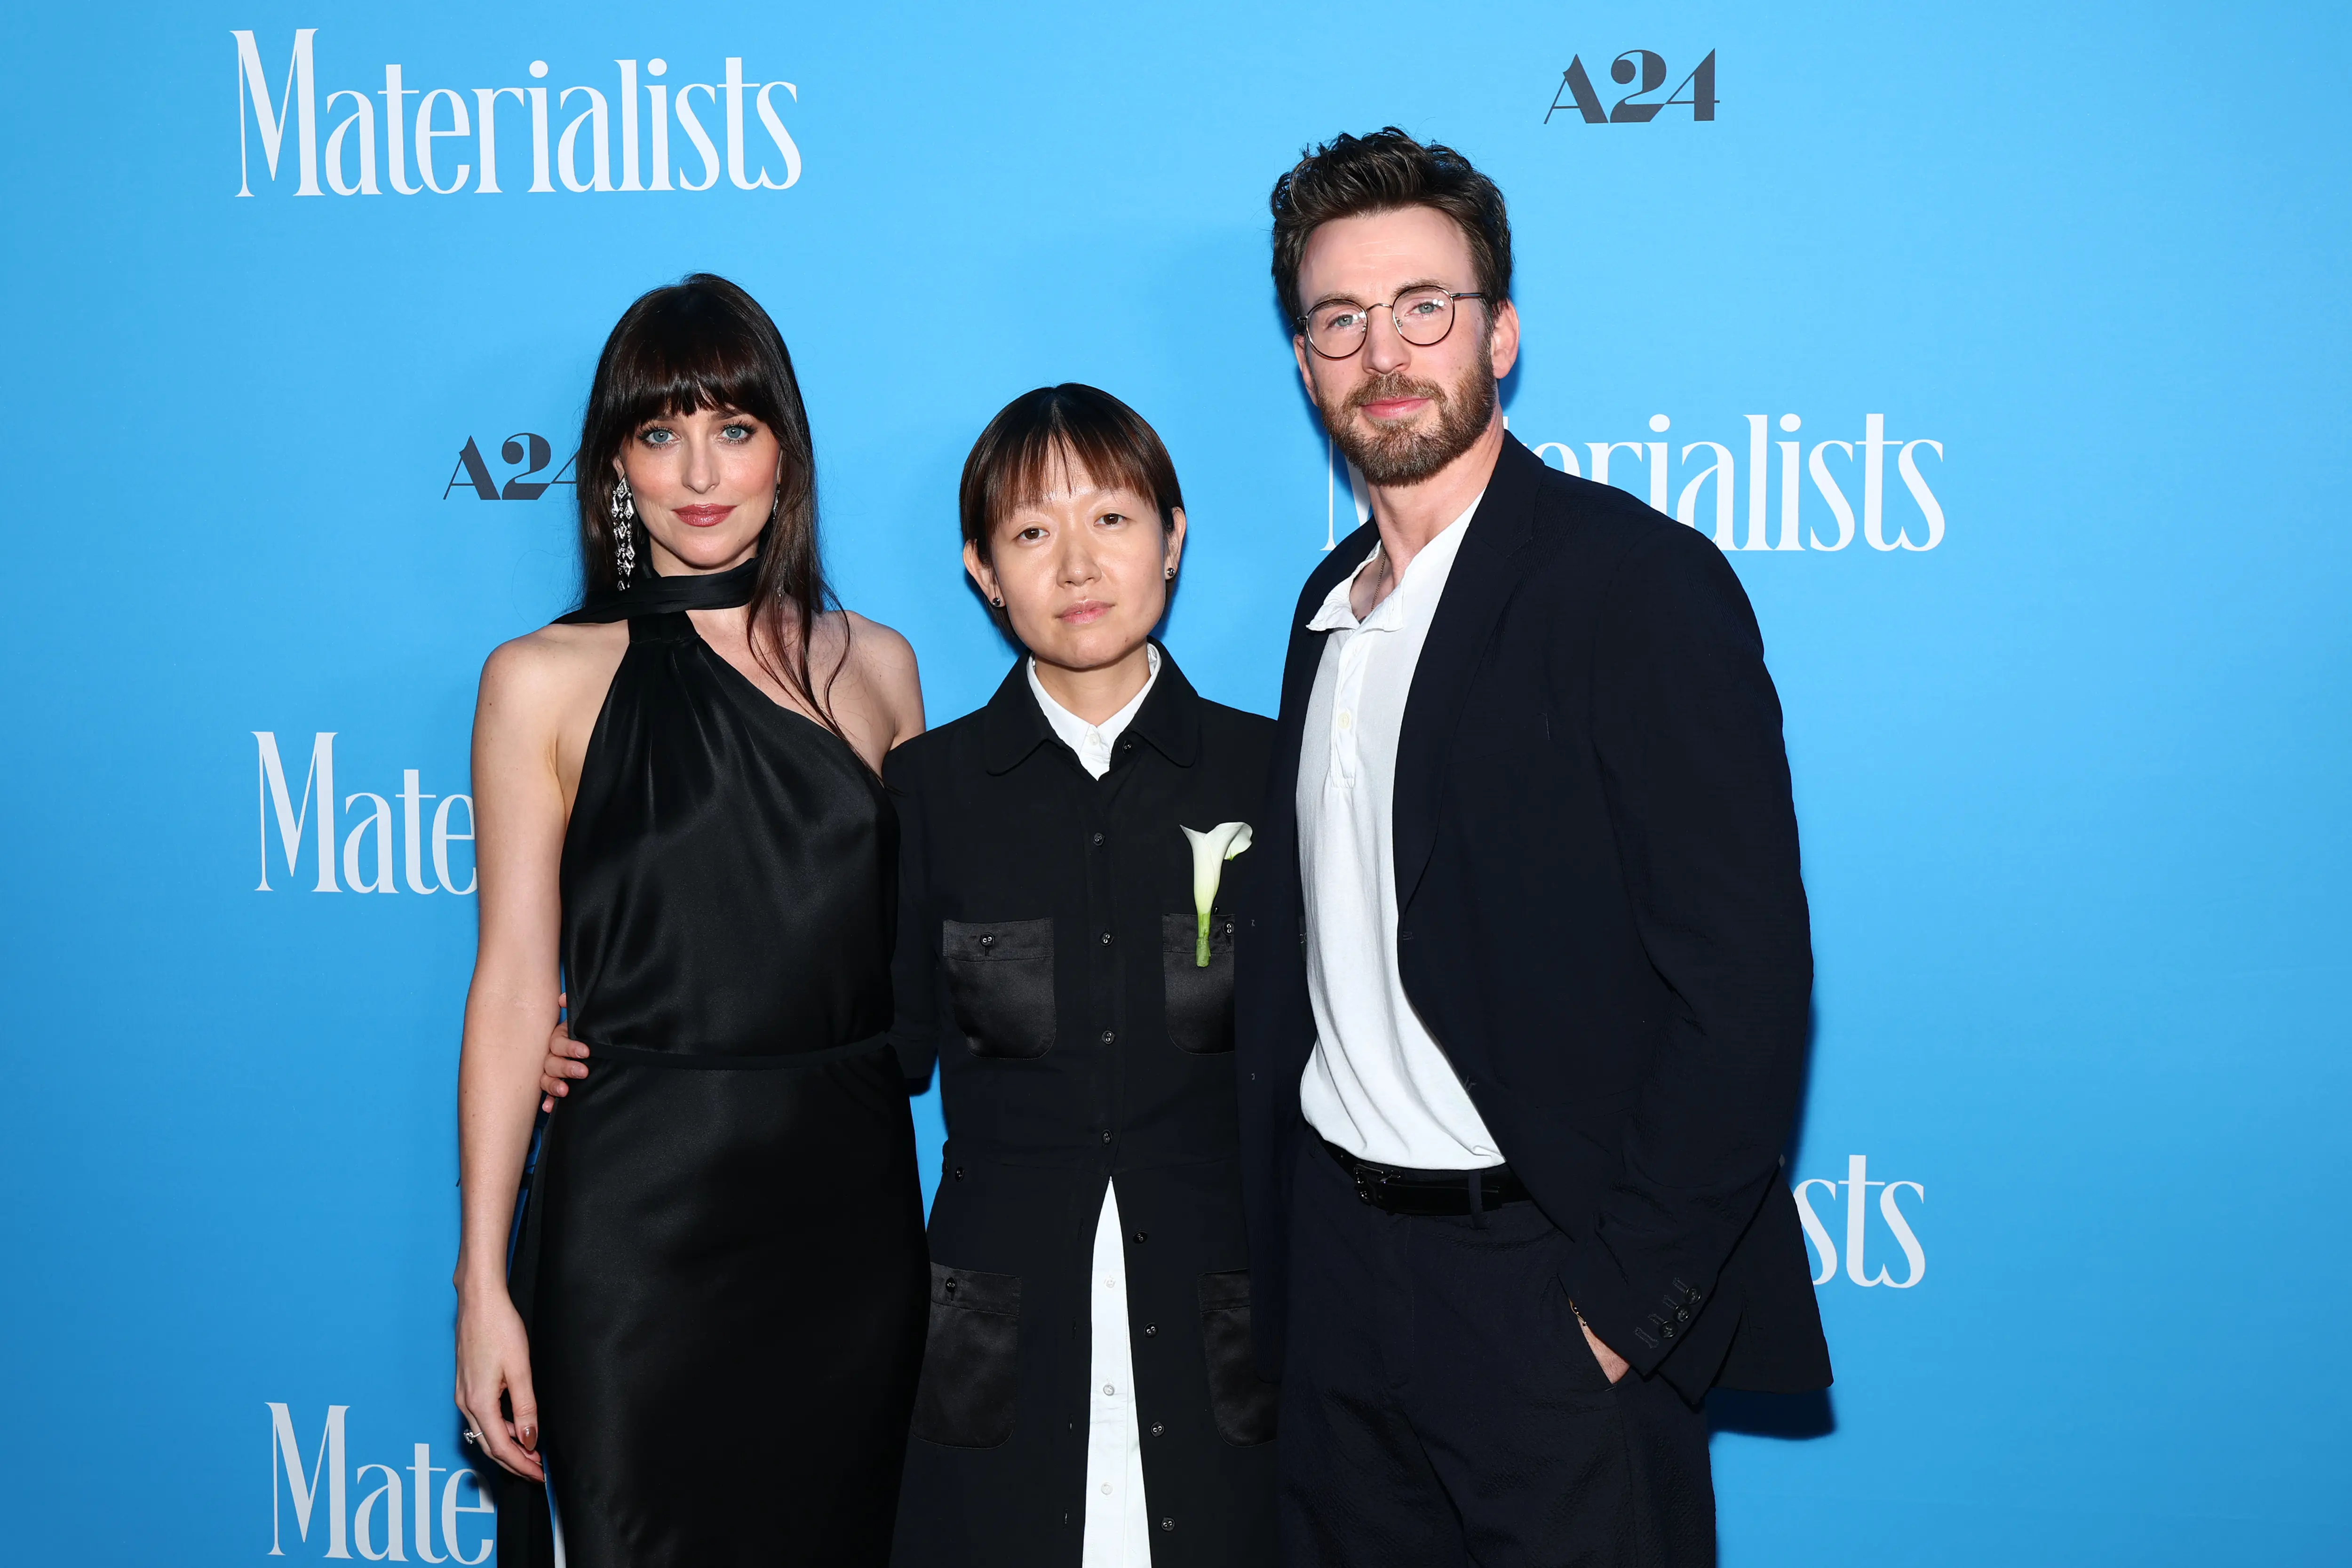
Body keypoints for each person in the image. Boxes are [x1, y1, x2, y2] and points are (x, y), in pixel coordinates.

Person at [542, 384, 1281, 1568]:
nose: (1077, 564)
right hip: (995, 1348)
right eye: (1032, 532)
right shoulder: (930, 790)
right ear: (983, 572)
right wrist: (630, 1037)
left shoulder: (1271, 775)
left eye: (1113, 520)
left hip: (1227, 1342)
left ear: (1175, 537)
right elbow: (854, 1026)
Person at [1232, 130, 1831, 1568]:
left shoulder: (1636, 586)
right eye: (1341, 319)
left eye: (1425, 305)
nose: (1385, 351)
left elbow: (1744, 988)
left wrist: (1619, 1316)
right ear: (1307, 361)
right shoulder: (1328, 605)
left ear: (1500, 331)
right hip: (1340, 1281)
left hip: (1545, 1291)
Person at [453, 273, 930, 1568]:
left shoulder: (876, 666)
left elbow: (929, 952)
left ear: (787, 447)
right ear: (616, 465)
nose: (700, 471)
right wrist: (481, 1283)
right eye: (661, 434)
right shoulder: (540, 680)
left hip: (849, 1221)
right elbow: (509, 983)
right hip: (636, 1224)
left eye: (735, 427)